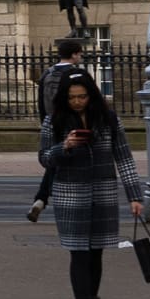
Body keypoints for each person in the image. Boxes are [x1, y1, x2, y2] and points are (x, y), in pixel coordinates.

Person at [39, 70, 144, 299]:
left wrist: (135, 196)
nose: (77, 102)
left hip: (103, 192)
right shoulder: (54, 121)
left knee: (96, 253)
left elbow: (124, 158)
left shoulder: (108, 119)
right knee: (79, 253)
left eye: (82, 96)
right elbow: (45, 158)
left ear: (91, 95)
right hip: (70, 194)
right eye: (72, 97)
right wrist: (65, 146)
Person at [27, 38, 84, 222]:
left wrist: (45, 122)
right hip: (73, 125)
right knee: (75, 165)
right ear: (74, 54)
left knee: (54, 161)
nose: (81, 56)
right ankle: (65, 204)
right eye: (79, 53)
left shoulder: (47, 74)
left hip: (51, 123)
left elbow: (40, 103)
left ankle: (41, 199)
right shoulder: (76, 74)